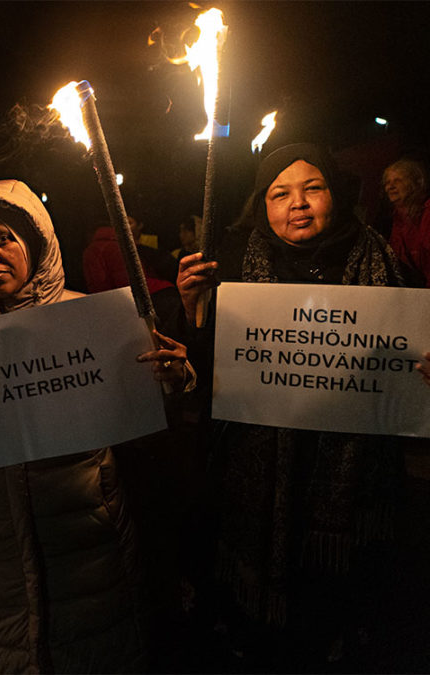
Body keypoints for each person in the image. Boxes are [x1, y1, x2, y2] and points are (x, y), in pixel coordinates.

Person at [0, 179, 191, 673]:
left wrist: (175, 378)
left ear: (35, 242)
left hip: (90, 555)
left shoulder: (92, 320)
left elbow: (152, 416)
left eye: (4, 238)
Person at [176, 143, 430, 670]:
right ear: (263, 206)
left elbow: (409, 356)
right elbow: (203, 374)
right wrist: (191, 312)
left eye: (312, 188)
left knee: (337, 614)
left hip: (347, 478)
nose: (298, 203)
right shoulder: (231, 265)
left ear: (334, 195)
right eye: (280, 193)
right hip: (257, 474)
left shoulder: (381, 259)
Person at [382, 158, 430, 287]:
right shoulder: (397, 219)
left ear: (416, 183)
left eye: (398, 181)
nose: (390, 187)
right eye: (387, 182)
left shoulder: (427, 214)